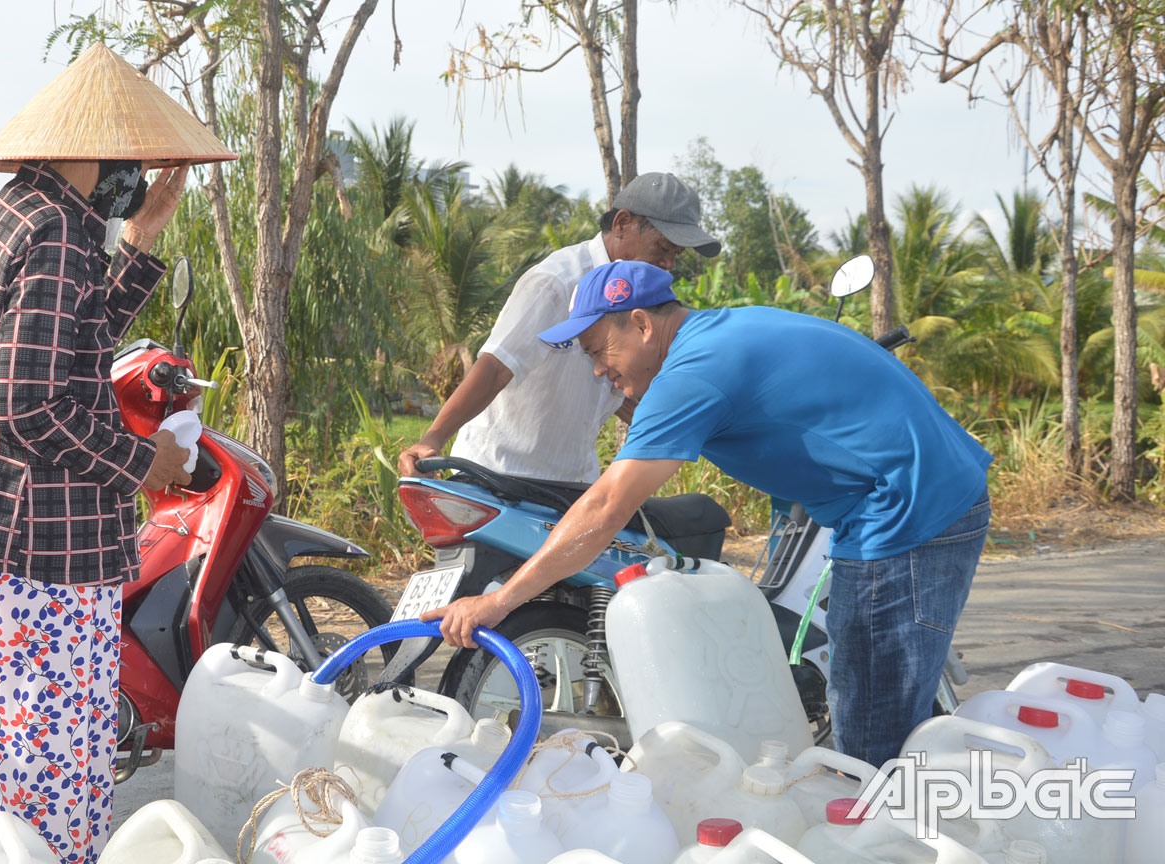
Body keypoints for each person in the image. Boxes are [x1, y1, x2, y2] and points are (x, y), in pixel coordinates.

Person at [423, 260, 993, 767]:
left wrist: (499, 601)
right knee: (866, 696)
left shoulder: (692, 372)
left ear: (642, 324)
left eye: (599, 349)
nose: (598, 370)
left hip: (910, 508)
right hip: (883, 501)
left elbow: (604, 506)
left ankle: (886, 834)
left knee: (874, 724)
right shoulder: (712, 336)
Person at [0, 44, 235, 863]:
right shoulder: (59, 233)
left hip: (13, 537)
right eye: (128, 157)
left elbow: (75, 342)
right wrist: (144, 466)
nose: (134, 172)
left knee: (31, 748)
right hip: (47, 544)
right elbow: (30, 403)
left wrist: (139, 244)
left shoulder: (27, 211)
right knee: (59, 760)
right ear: (92, 148)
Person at [398, 172, 721, 483]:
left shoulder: (645, 300)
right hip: (500, 476)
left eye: (676, 255)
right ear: (623, 224)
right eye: (663, 249)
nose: (669, 265)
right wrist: (433, 438)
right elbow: (497, 366)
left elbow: (622, 394)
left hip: (570, 482)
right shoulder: (556, 282)